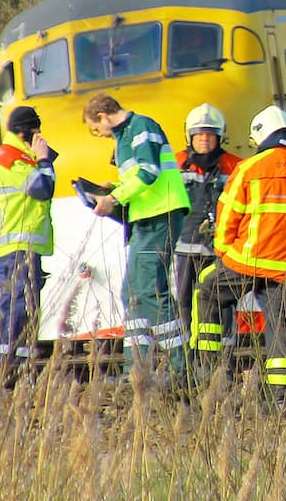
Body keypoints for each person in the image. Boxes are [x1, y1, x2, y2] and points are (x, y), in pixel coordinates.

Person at [192, 105, 286, 411]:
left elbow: (228, 217)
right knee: (281, 330)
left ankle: (210, 374)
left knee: (209, 293)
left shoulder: (248, 169)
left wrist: (224, 251)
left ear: (261, 135)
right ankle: (280, 402)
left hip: (247, 261)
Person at [82, 93, 192, 382]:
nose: (100, 134)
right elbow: (138, 178)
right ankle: (137, 371)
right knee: (131, 293)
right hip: (146, 218)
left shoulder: (141, 126)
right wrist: (111, 187)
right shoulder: (125, 136)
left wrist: (113, 198)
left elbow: (149, 172)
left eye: (96, 128)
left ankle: (183, 368)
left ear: (103, 116)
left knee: (149, 291)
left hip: (161, 215)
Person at [0, 106, 57, 368]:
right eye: (36, 129)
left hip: (20, 243)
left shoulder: (18, 156)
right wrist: (43, 159)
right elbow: (42, 188)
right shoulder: (12, 159)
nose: (40, 134)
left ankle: (16, 360)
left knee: (21, 303)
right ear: (25, 131)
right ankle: (11, 363)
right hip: (18, 244)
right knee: (18, 302)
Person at [173, 103, 242, 358]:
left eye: (210, 134)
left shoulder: (235, 166)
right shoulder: (177, 163)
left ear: (219, 136)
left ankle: (221, 357)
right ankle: (186, 355)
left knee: (222, 301)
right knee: (183, 301)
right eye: (199, 134)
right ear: (190, 136)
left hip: (221, 249)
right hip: (185, 247)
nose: (204, 139)